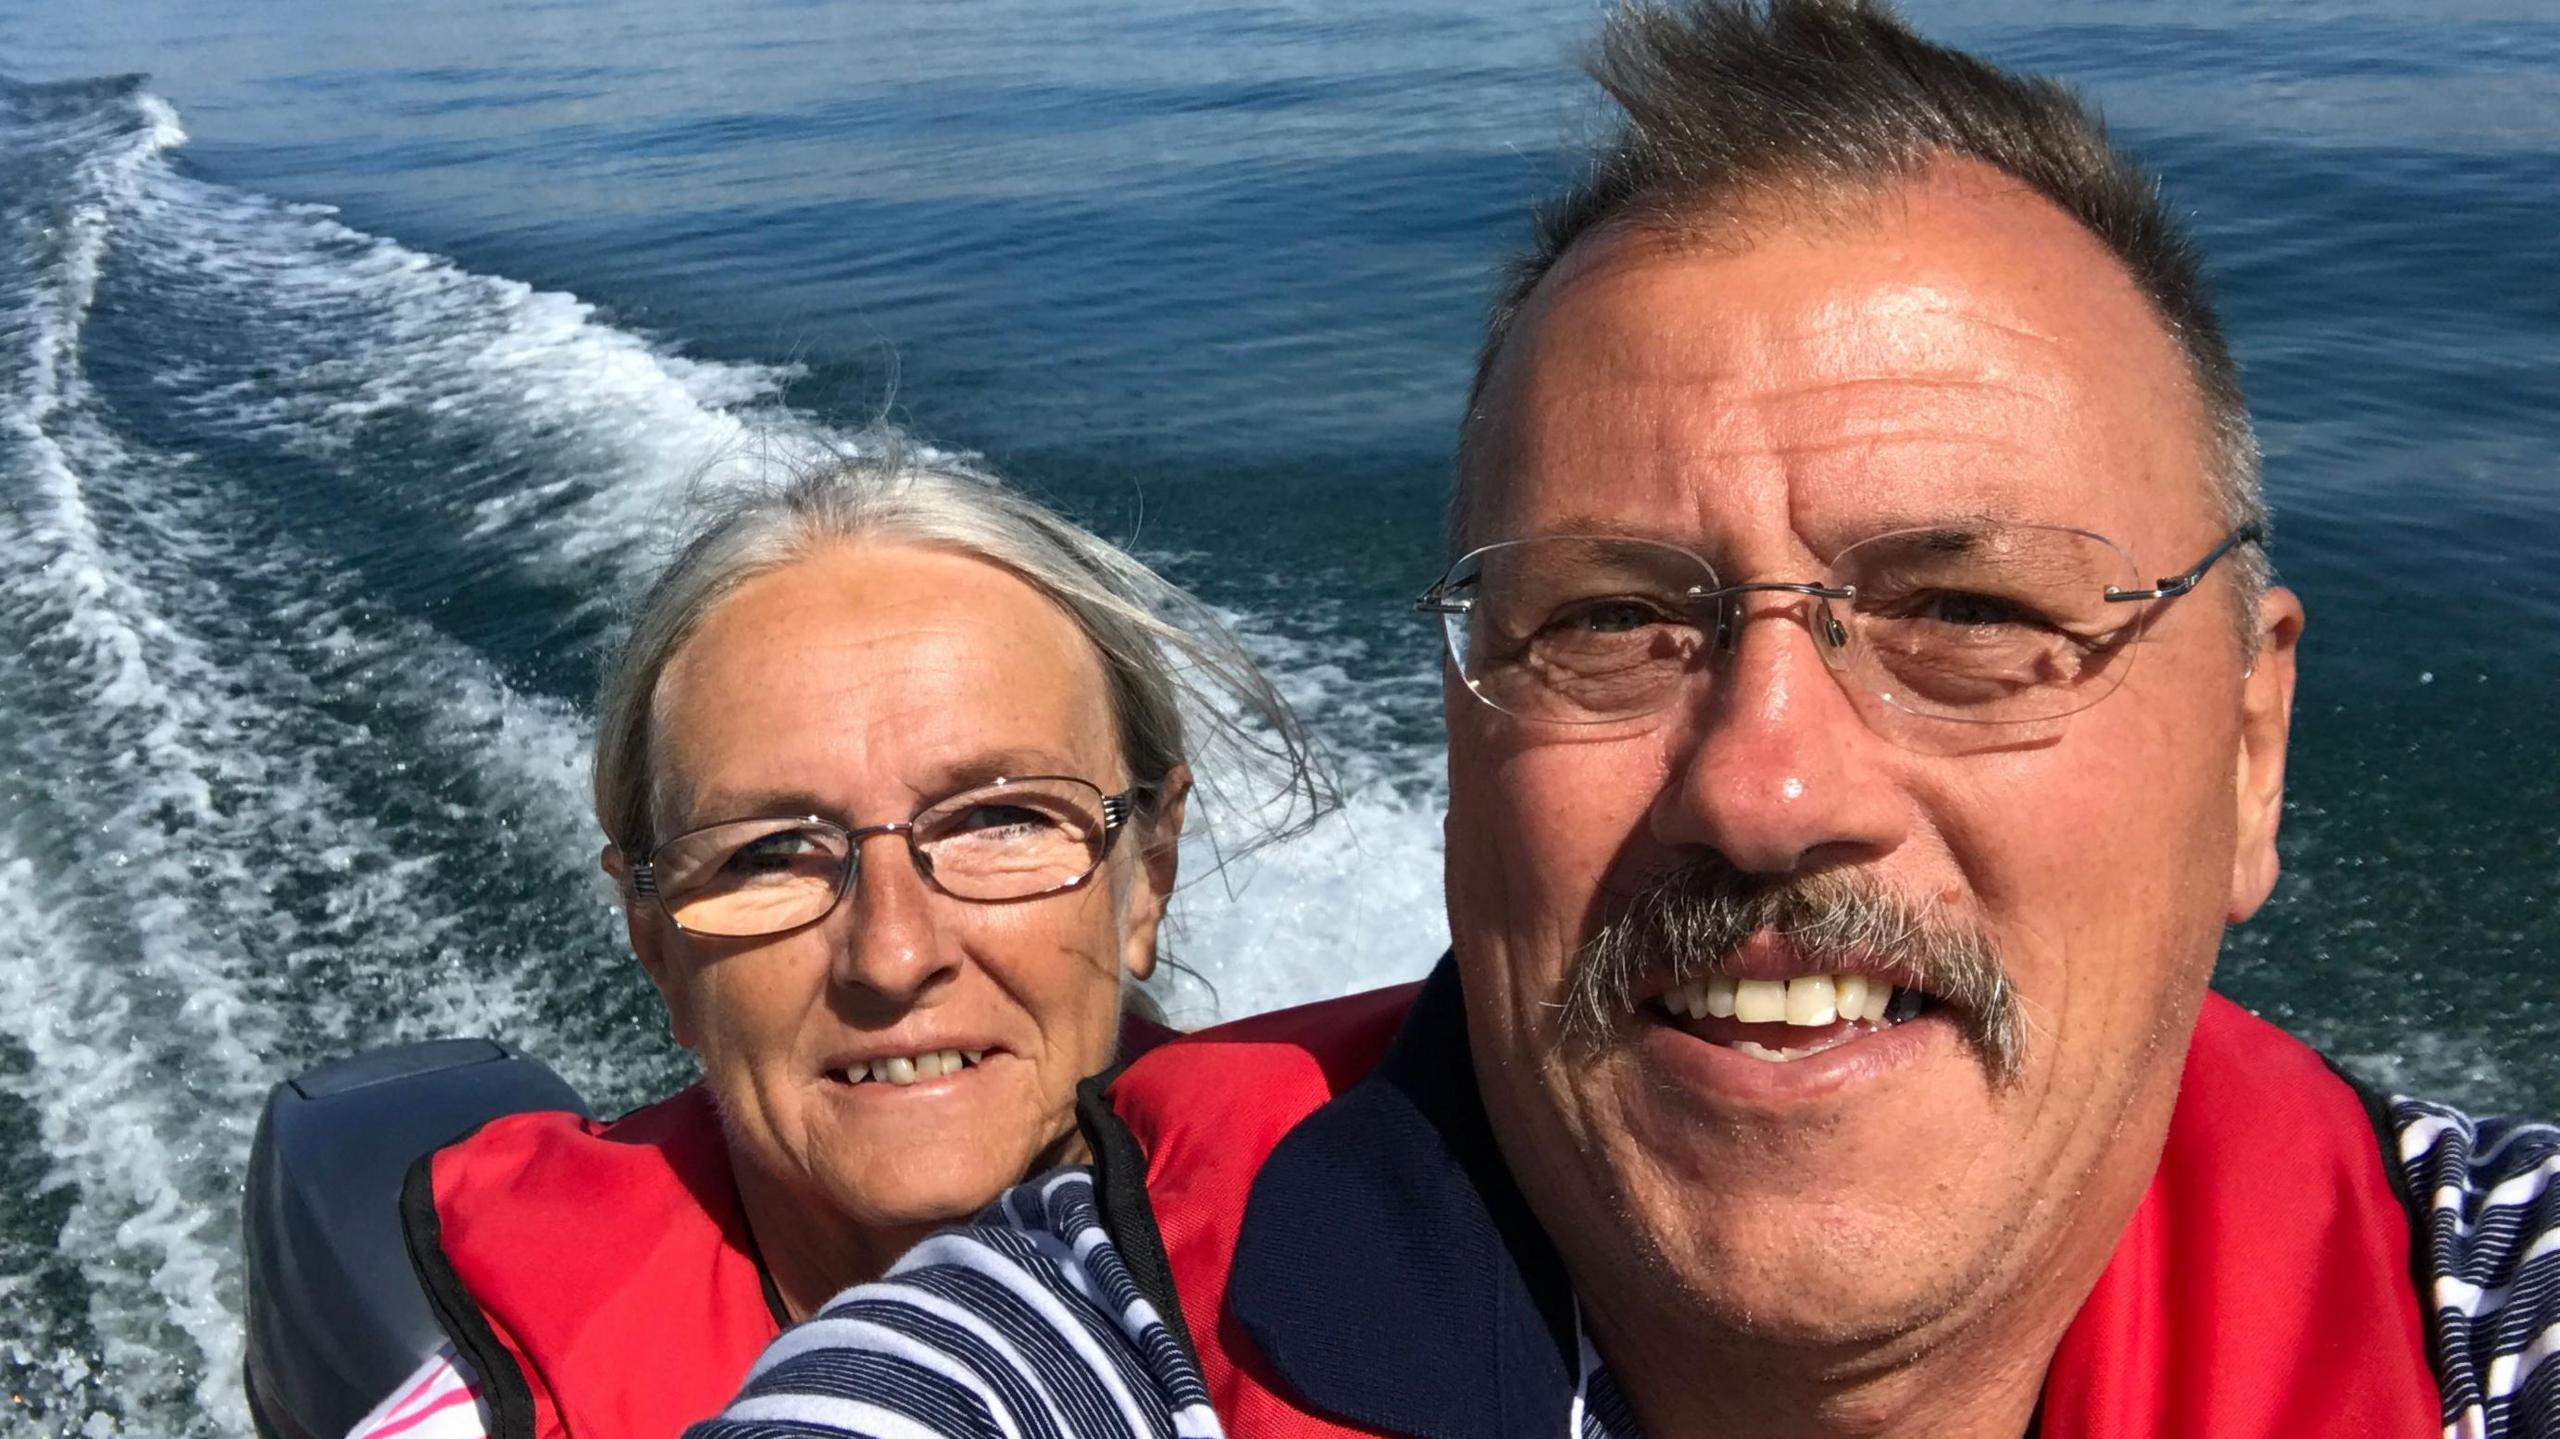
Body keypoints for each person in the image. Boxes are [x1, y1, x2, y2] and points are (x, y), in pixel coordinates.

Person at [690, 5, 2560, 1438]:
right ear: (1459, 749)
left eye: (1974, 612)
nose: (1768, 783)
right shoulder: (1083, 1353)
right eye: (1608, 623)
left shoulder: (2491, 1307)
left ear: (2250, 751)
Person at [345, 438, 1329, 1439]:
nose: (893, 954)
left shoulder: (1388, 1260)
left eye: (1000, 818)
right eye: (769, 851)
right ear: (657, 944)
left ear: (1144, 876)